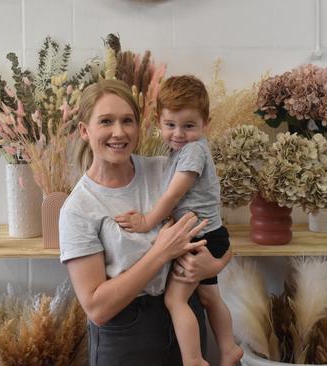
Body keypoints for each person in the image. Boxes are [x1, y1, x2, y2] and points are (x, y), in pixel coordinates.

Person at [59, 79, 231, 366]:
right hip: (125, 337)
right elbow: (97, 309)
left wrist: (215, 266)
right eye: (106, 121)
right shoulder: (78, 209)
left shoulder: (164, 171)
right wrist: (161, 252)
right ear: (84, 131)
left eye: (128, 120)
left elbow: (215, 230)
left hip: (184, 323)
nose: (119, 132)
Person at [115, 75, 243, 366]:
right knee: (210, 298)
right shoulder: (179, 152)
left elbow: (173, 196)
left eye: (189, 126)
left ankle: (194, 358)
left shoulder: (194, 151)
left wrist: (147, 222)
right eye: (170, 125)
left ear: (205, 122)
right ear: (159, 122)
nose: (178, 133)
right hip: (209, 234)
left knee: (175, 300)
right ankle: (228, 347)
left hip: (199, 238)